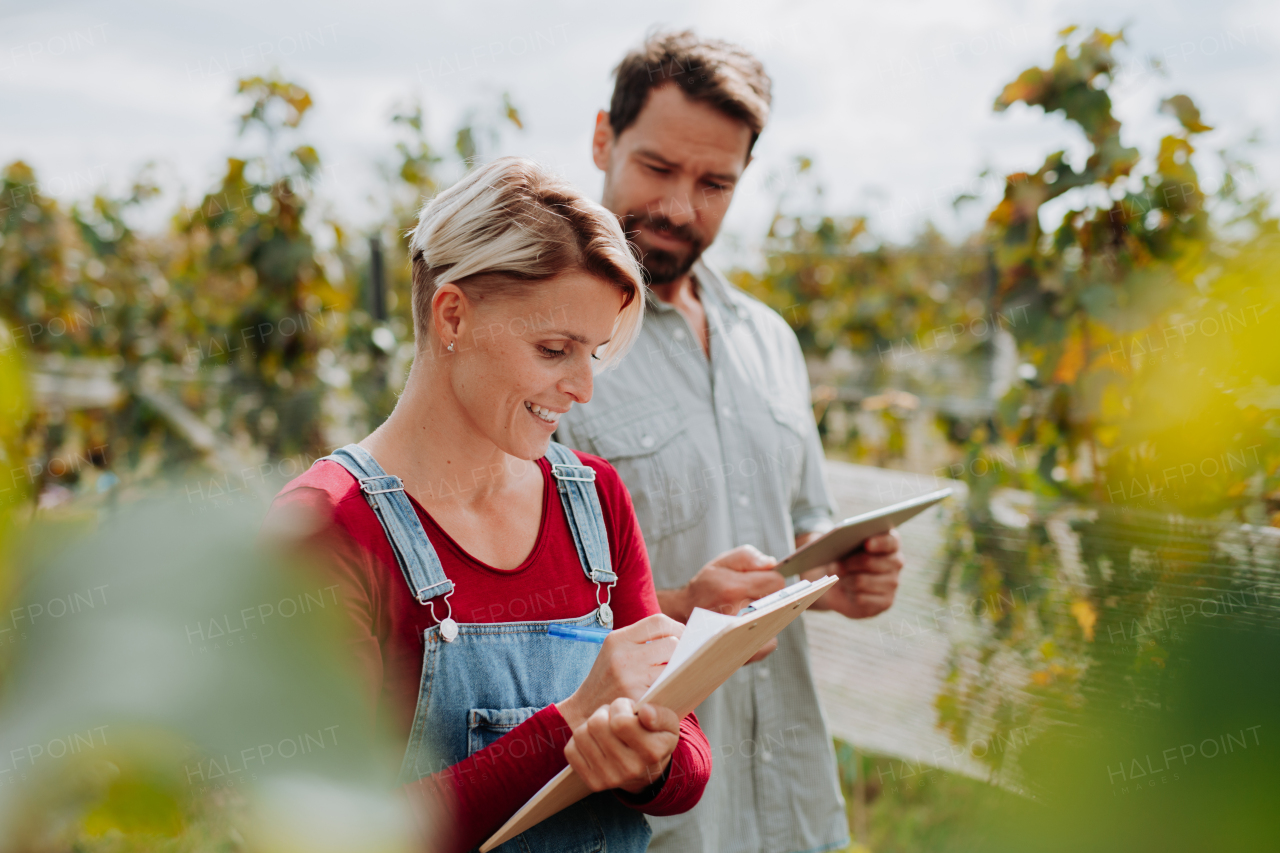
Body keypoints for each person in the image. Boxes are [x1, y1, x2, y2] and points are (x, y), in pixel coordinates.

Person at [268, 157, 727, 853]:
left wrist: (649, 759)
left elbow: (686, 751)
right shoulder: (328, 528)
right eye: (554, 349)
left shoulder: (594, 500)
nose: (582, 387)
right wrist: (569, 728)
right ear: (453, 315)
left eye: (594, 353)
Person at [555, 32, 907, 853]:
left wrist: (842, 575)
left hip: (791, 809)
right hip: (653, 822)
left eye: (715, 182)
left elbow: (802, 534)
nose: (683, 207)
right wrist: (682, 611)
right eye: (658, 169)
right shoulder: (548, 341)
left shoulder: (770, 341)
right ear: (603, 137)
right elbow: (509, 626)